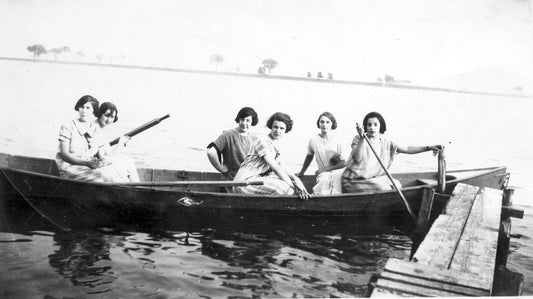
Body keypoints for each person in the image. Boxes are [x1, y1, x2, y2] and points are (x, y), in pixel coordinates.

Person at [341, 111, 443, 193]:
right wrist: (363, 138)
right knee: (383, 189)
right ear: (365, 127)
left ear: (380, 126)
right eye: (369, 125)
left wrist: (429, 147)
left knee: (397, 184)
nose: (372, 127)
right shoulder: (358, 139)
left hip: (373, 178)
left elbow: (407, 149)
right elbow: (357, 158)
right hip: (354, 180)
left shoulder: (386, 142)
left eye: (375, 124)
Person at [233, 112, 310, 200]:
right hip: (244, 182)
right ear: (271, 127)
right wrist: (295, 188)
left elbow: (281, 167)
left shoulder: (277, 145)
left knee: (288, 186)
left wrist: (296, 179)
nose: (278, 131)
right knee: (284, 187)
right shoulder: (262, 140)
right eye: (275, 127)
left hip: (258, 179)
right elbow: (276, 168)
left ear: (286, 130)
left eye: (281, 128)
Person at [55, 95, 104, 181]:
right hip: (69, 167)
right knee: (102, 178)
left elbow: (101, 155)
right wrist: (86, 163)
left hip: (86, 166)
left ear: (94, 110)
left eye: (88, 108)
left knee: (114, 172)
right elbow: (65, 155)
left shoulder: (96, 128)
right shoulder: (68, 125)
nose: (84, 111)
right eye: (82, 107)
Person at [296, 112, 346, 195]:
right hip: (323, 174)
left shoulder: (338, 140)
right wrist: (302, 172)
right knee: (323, 188)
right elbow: (309, 157)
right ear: (318, 124)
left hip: (338, 172)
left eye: (327, 122)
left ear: (332, 124)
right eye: (322, 122)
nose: (324, 125)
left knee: (337, 190)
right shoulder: (313, 140)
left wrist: (325, 169)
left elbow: (344, 163)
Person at [92, 101, 140, 182]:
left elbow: (109, 154)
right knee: (123, 164)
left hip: (101, 160)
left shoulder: (102, 129)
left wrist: (121, 144)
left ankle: (138, 187)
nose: (109, 120)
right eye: (106, 115)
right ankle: (136, 189)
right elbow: (102, 157)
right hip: (94, 163)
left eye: (112, 117)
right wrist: (120, 144)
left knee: (128, 161)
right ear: (100, 113)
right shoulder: (95, 128)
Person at [206, 107, 258, 179]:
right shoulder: (228, 134)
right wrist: (221, 169)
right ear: (238, 119)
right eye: (242, 119)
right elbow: (211, 152)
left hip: (249, 178)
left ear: (252, 122)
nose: (244, 123)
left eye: (248, 120)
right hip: (232, 179)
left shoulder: (254, 138)